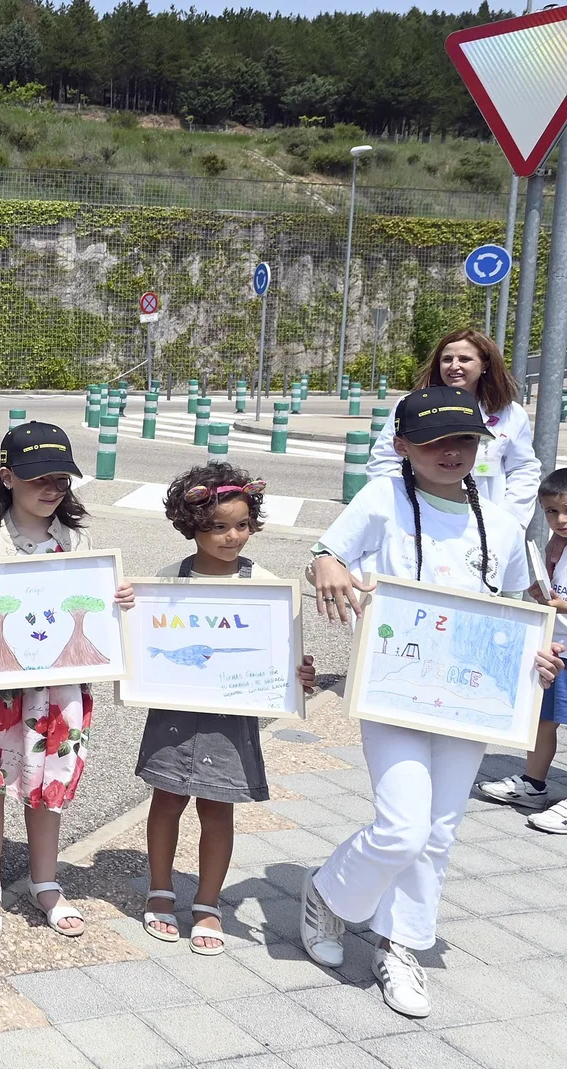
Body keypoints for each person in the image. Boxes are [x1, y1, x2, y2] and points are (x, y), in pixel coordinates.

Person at [303, 386, 563, 1019]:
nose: (451, 452)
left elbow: (515, 613)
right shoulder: (382, 499)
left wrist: (538, 653)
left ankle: (401, 944)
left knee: (439, 830)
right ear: (402, 447)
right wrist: (327, 564)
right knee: (401, 826)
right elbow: (328, 552)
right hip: (393, 690)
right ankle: (328, 896)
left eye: (465, 440)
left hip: (468, 701)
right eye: (435, 442)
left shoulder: (501, 524)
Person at [0, 422, 133, 941]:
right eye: (39, 479)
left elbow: (99, 610)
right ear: (8, 478)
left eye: (61, 478)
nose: (52, 488)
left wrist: (118, 602)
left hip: (60, 689)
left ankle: (45, 881)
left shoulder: (78, 541)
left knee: (48, 783)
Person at [134, 462, 316, 954]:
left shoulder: (268, 584)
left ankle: (209, 903)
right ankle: (160, 891)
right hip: (174, 711)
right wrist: (129, 608)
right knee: (166, 799)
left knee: (218, 807)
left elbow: (283, 651)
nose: (232, 535)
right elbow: (144, 634)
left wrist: (299, 677)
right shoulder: (168, 580)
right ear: (190, 526)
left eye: (241, 524)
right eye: (217, 526)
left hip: (232, 717)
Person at [365, 328, 539, 523]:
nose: (454, 366)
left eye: (465, 359)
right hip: (421, 517)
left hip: (486, 522)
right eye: (447, 359)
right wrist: (402, 507)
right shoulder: (411, 405)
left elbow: (523, 469)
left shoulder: (510, 413)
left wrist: (509, 520)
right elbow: (384, 461)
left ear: (485, 365)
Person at [485, 468, 567, 831]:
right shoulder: (553, 546)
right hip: (555, 646)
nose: (560, 520)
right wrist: (543, 596)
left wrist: (558, 606)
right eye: (551, 511)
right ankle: (533, 785)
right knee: (542, 717)